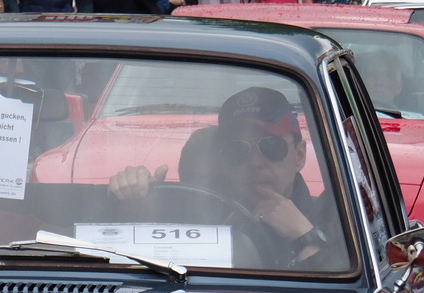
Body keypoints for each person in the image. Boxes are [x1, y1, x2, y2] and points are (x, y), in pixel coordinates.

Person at [107, 86, 345, 269]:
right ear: (222, 161)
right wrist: (135, 203)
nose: (254, 163)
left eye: (271, 147)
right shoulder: (191, 214)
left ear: (300, 155)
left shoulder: (341, 226)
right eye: (237, 151)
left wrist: (305, 238)